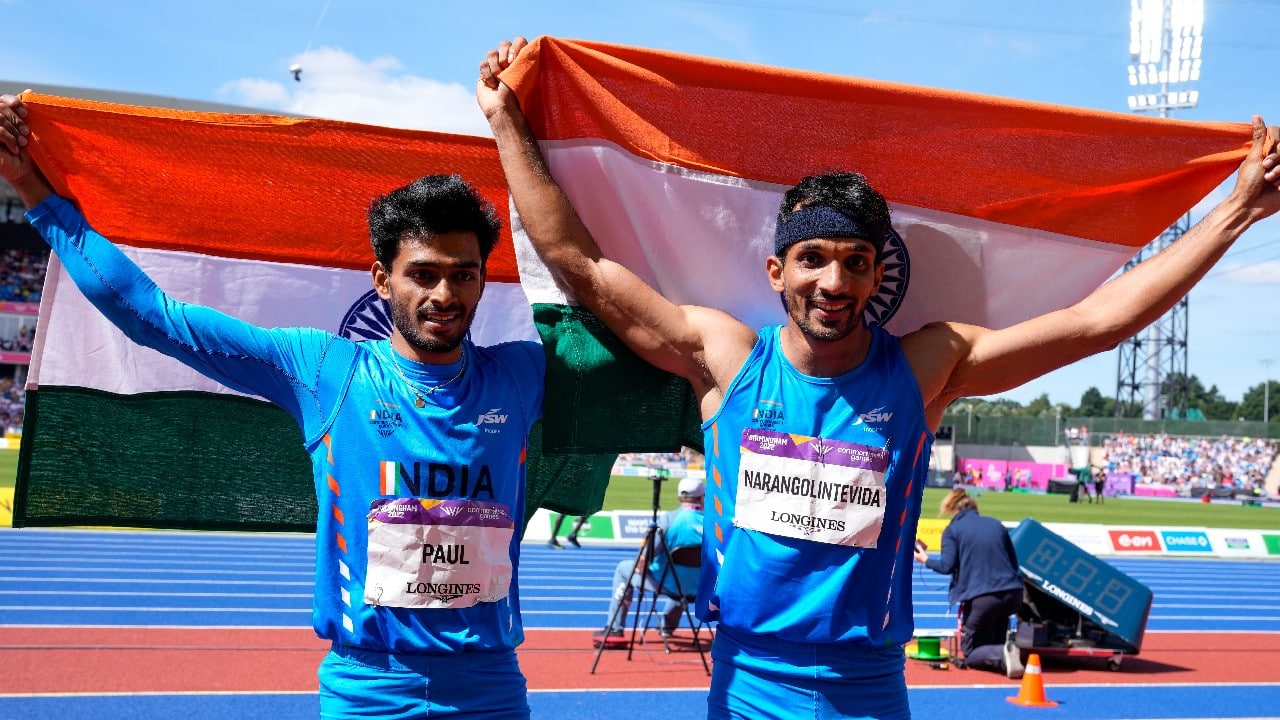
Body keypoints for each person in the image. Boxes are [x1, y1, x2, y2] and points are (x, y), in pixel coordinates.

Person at [478, 36, 1280, 720]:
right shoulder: (723, 358)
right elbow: (580, 266)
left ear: (876, 277)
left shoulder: (927, 366)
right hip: (746, 686)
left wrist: (1236, 211)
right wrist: (508, 125)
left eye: (856, 263)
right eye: (814, 260)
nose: (835, 281)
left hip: (868, 688)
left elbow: (1101, 322)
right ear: (775, 271)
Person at [0, 93, 544, 719]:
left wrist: (516, 125)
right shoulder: (325, 371)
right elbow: (153, 318)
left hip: (491, 688)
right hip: (369, 689)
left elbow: (612, 308)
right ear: (381, 278)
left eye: (464, 273)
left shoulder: (523, 374)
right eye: (423, 273)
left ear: (482, 278)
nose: (445, 293)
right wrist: (29, 185)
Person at [913, 488, 1024, 678]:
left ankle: (1002, 654)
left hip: (983, 598)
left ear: (953, 510)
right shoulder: (995, 524)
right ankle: (1005, 650)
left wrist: (924, 559)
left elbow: (946, 566)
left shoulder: (953, 530)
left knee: (971, 653)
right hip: (1013, 595)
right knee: (995, 630)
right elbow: (1014, 563)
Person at [596, 476, 706, 645]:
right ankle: (667, 628)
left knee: (623, 570)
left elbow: (645, 558)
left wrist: (642, 566)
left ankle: (615, 628)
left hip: (668, 584)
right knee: (680, 579)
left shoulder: (668, 520)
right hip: (701, 588)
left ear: (679, 497)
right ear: (702, 497)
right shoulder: (713, 524)